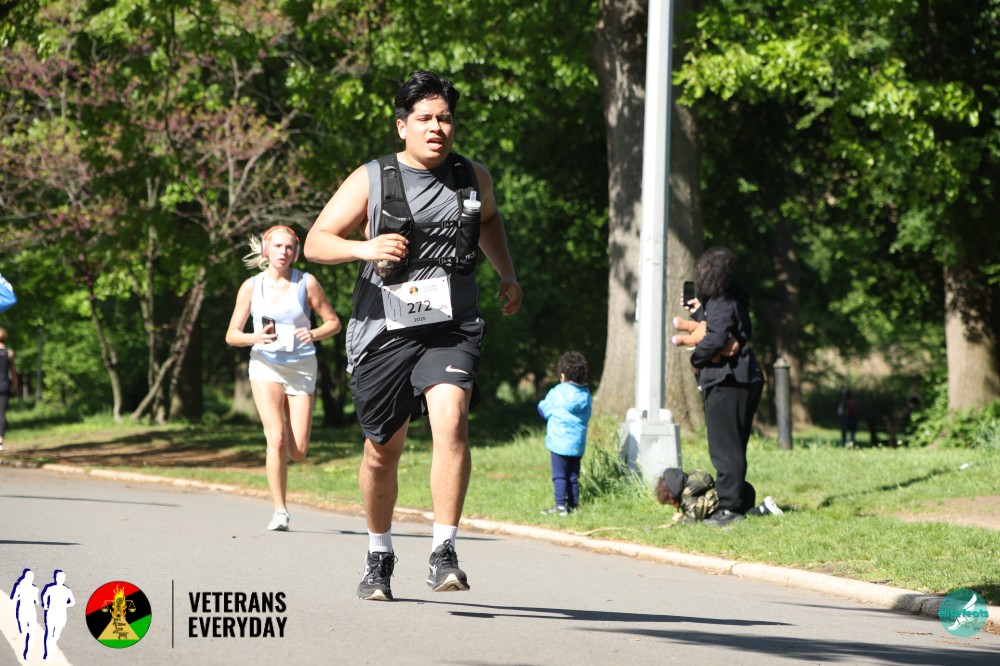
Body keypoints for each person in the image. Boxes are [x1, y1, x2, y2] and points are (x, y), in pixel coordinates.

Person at [304, 70, 523, 601]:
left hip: (451, 325)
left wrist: (507, 274)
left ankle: (444, 549)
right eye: (424, 118)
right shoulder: (372, 178)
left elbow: (489, 221)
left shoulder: (473, 177)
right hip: (384, 330)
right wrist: (364, 248)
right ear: (402, 126)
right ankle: (379, 552)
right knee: (382, 451)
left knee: (452, 419)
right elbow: (316, 241)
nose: (436, 128)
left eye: (444, 118)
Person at [226, 225, 342, 531]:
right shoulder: (251, 286)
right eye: (277, 246)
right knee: (275, 437)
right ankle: (280, 511)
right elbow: (231, 335)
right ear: (266, 250)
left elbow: (333, 323)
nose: (283, 252)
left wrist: (313, 333)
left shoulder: (306, 283)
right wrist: (254, 337)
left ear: (296, 252)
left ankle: (288, 430)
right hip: (265, 365)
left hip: (301, 367)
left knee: (298, 450)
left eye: (289, 247)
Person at [682, 246, 766, 526]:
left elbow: (716, 337)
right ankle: (741, 499)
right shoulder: (733, 300)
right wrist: (698, 312)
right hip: (745, 379)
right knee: (734, 445)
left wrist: (696, 360)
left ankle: (729, 509)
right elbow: (722, 329)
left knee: (724, 447)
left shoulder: (721, 301)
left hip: (728, 380)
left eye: (703, 268)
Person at [537, 351, 592, 516]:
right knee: (573, 476)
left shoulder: (558, 392)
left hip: (559, 442)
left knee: (559, 475)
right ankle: (573, 506)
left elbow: (543, 409)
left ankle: (560, 506)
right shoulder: (586, 395)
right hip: (577, 444)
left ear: (563, 375)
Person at [655, 467, 782, 524]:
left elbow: (694, 520)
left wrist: (679, 519)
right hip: (742, 489)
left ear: (673, 497)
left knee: (719, 520)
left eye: (670, 503)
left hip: (732, 500)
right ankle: (764, 508)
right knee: (743, 515)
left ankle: (765, 507)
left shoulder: (687, 498)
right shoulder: (694, 479)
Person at [41, 569, 75, 659]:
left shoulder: (66, 590)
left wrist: (65, 605)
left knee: (56, 635)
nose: (61, 579)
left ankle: (52, 644)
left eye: (62, 578)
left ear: (64, 579)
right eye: (59, 578)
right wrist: (45, 604)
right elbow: (45, 596)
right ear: (56, 578)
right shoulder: (51, 588)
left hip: (61, 614)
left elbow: (73, 602)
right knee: (49, 633)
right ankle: (47, 653)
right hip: (51, 612)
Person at [10, 568, 38, 659]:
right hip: (26, 611)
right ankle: (26, 647)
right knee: (25, 632)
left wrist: (21, 597)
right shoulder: (22, 587)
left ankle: (28, 652)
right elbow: (37, 602)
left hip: (27, 611)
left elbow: (13, 599)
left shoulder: (32, 588)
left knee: (30, 632)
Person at [0, 326, 18, 452]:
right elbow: (13, 373)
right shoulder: (9, 353)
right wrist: (15, 387)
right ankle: (0, 440)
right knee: (1, 413)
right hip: (4, 385)